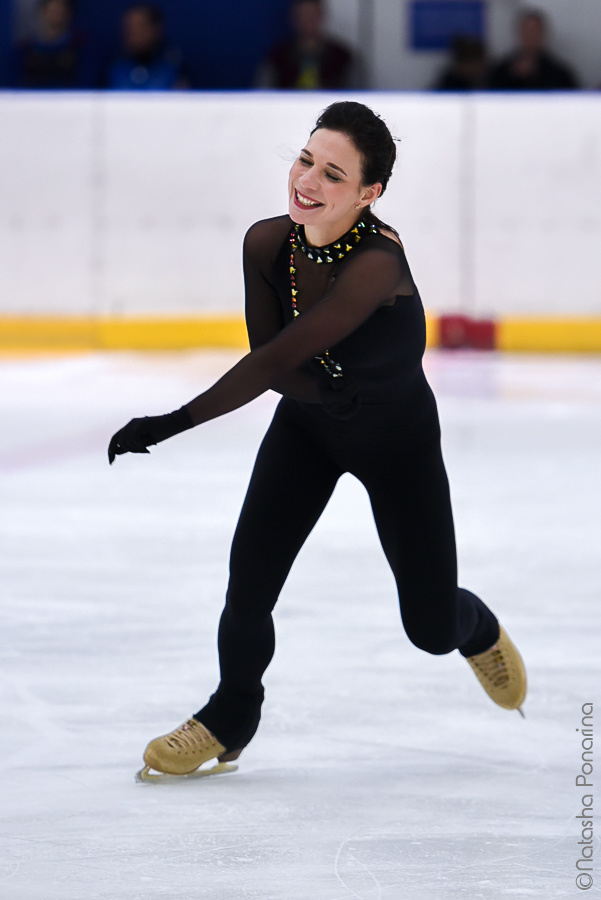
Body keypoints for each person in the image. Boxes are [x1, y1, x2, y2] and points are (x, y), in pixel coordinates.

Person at [108, 101, 527, 781]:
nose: (308, 180)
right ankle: (230, 714)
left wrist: (168, 422)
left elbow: (278, 361)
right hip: (308, 432)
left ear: (368, 194)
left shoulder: (375, 266)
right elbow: (271, 360)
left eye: (333, 175)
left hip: (398, 449)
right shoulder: (267, 243)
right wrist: (316, 394)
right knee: (248, 585)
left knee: (427, 628)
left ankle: (475, 629)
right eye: (306, 160)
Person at [255, 0, 361, 90]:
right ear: (294, 18)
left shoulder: (342, 57)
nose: (308, 21)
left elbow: (357, 94)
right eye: (302, 16)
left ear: (321, 17)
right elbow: (264, 94)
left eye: (312, 15)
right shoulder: (277, 57)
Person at [489, 8, 579, 90]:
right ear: (519, 33)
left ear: (543, 34)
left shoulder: (560, 74)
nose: (531, 36)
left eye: (535, 31)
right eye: (527, 31)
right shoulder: (501, 71)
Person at [106, 3, 188, 91]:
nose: (134, 34)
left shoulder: (173, 66)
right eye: (130, 28)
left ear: (156, 29)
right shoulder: (114, 66)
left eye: (140, 27)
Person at [15, 0, 89, 89]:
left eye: (61, 11)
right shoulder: (26, 50)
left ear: (68, 13)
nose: (57, 15)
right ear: (43, 11)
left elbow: (85, 85)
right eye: (53, 10)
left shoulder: (80, 47)